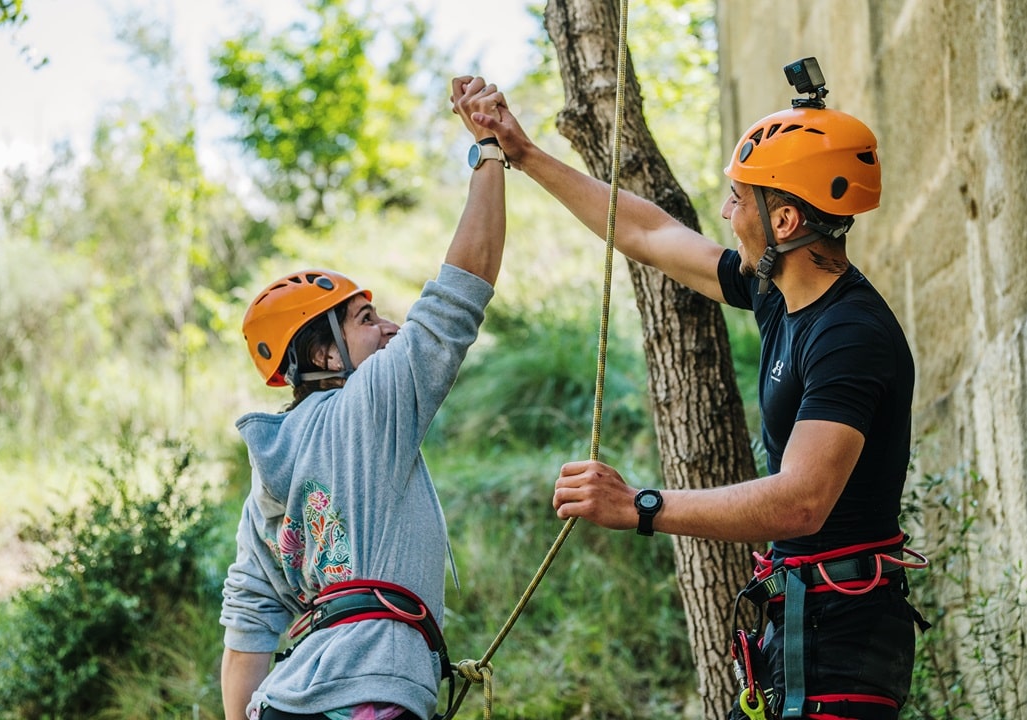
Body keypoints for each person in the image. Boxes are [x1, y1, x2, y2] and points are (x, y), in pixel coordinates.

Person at [469, 62, 925, 720]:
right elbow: (649, 234)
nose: (725, 211)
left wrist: (641, 506)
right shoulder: (778, 292)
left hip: (844, 644)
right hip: (801, 623)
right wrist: (526, 154)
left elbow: (801, 503)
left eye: (740, 198)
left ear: (788, 220)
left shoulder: (850, 335)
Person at [220, 76, 509, 720]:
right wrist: (490, 152)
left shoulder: (266, 480)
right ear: (324, 354)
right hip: (370, 695)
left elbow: (248, 620)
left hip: (287, 701)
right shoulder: (371, 403)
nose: (392, 329)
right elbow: (460, 293)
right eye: (366, 318)